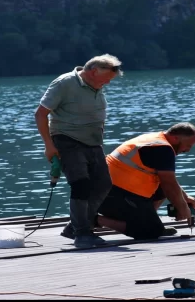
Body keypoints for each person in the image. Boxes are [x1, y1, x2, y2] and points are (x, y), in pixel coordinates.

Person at [34, 54, 122, 248]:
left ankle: (74, 227)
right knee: (80, 184)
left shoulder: (96, 85)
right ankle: (82, 233)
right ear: (92, 72)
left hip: (93, 143)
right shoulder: (65, 83)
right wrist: (48, 145)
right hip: (67, 140)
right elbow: (40, 114)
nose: (107, 83)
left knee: (103, 184)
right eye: (106, 78)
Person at [89, 122, 195, 240]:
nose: (188, 150)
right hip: (107, 195)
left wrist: (185, 197)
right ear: (175, 138)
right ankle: (94, 219)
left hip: (107, 191)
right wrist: (182, 208)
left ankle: (148, 220)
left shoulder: (155, 139)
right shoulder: (163, 149)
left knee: (164, 189)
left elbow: (168, 180)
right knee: (152, 232)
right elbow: (169, 184)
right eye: (188, 145)